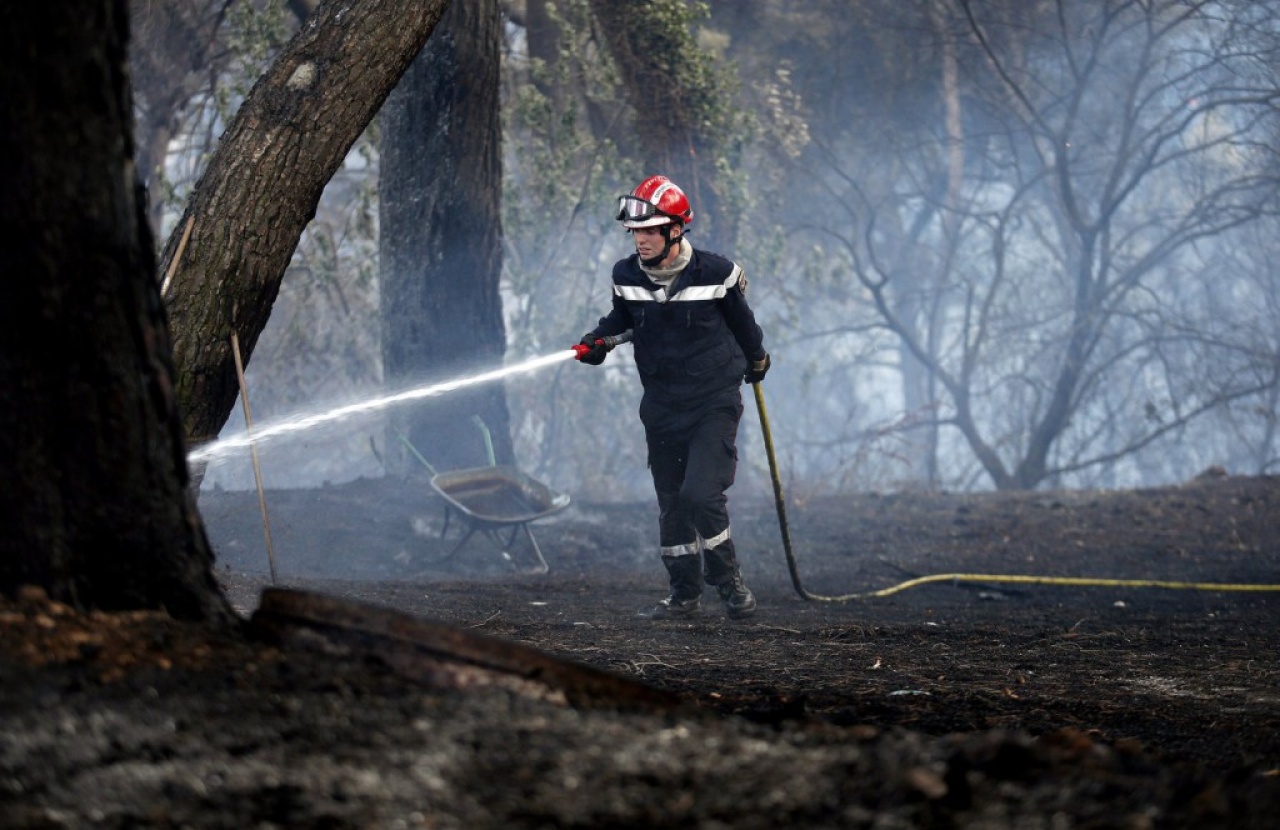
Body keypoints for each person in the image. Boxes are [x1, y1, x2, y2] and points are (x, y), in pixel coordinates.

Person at [574, 175, 771, 619]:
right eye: (635, 232)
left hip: (712, 400)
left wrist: (757, 360)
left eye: (649, 230)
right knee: (672, 502)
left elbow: (744, 327)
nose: (639, 239)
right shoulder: (625, 276)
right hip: (661, 405)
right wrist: (595, 344)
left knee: (701, 494)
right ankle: (684, 594)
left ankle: (728, 581)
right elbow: (622, 321)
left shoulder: (717, 274)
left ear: (674, 230)